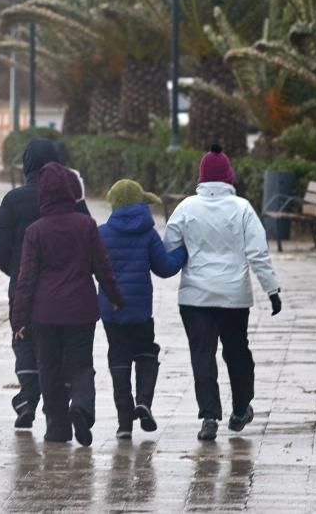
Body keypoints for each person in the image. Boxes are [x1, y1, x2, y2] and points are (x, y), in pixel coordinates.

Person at [164, 145, 283, 441]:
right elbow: (258, 253)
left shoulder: (185, 207)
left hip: (194, 297)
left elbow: (169, 246)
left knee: (202, 355)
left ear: (201, 177)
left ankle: (208, 417)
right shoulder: (242, 208)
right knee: (236, 352)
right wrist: (272, 290)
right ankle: (241, 407)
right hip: (233, 296)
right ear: (229, 176)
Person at [11, 162, 124, 446]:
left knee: (48, 367)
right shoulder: (86, 225)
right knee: (81, 364)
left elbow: (26, 279)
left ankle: (57, 428)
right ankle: (82, 408)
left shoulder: (35, 231)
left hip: (44, 314)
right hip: (81, 310)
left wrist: (19, 320)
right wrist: (115, 298)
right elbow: (103, 267)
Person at [0, 139, 90, 431]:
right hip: (66, 290)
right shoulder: (72, 199)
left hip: (23, 286)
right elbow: (89, 238)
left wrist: (13, 270)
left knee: (24, 340)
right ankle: (59, 404)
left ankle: (28, 398)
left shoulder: (14, 200)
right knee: (59, 349)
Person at [98, 179, 187, 440]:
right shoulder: (147, 234)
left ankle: (124, 423)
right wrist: (183, 252)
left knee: (118, 358)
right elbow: (166, 267)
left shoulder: (102, 234)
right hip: (140, 310)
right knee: (147, 353)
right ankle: (144, 402)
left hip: (111, 310)